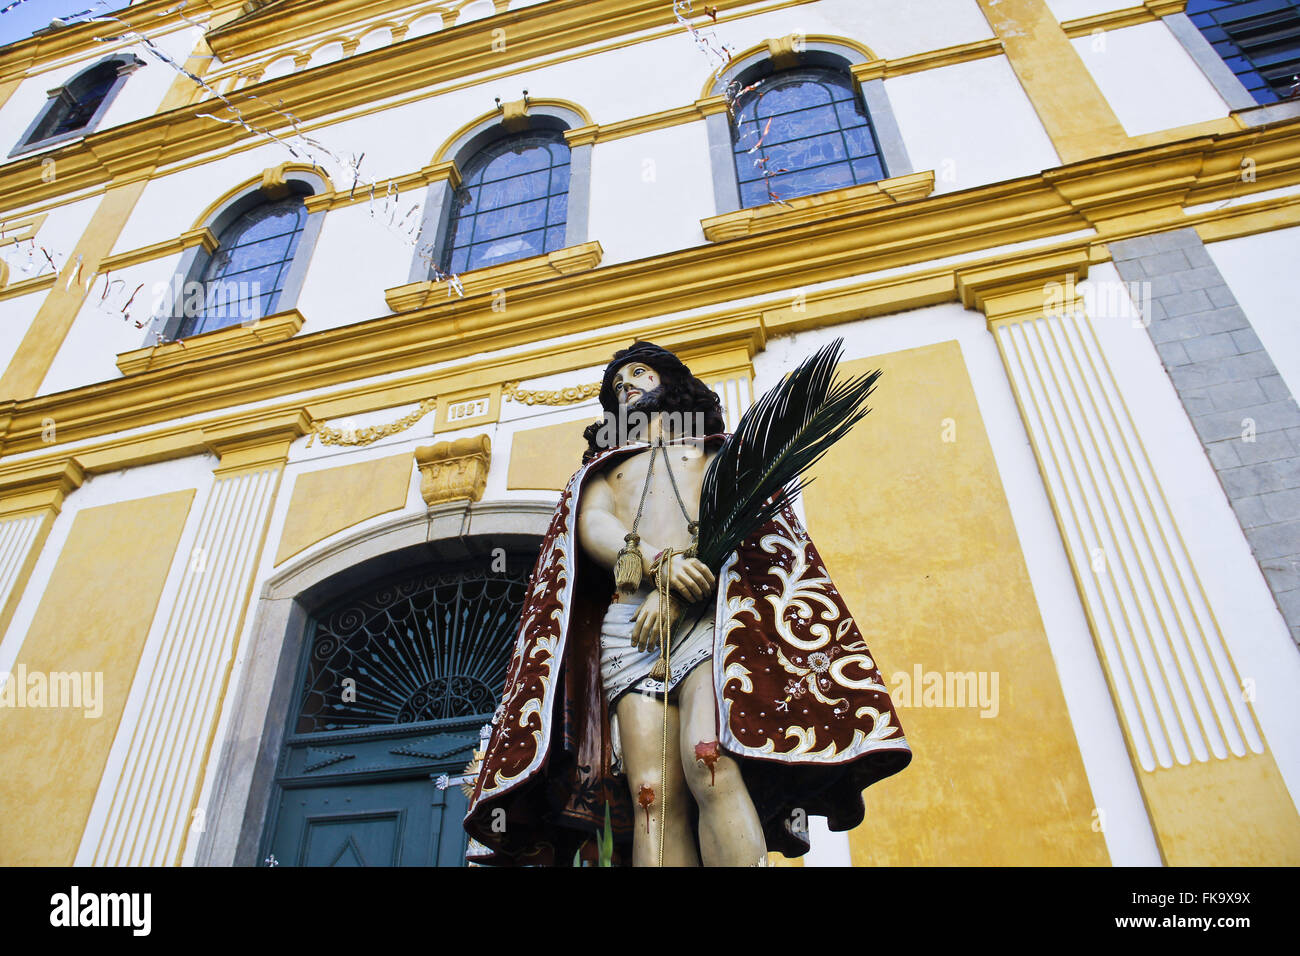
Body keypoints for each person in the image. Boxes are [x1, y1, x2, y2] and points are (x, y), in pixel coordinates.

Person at [463, 341, 911, 866]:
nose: (626, 386)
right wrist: (659, 566)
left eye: (638, 374)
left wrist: (679, 591)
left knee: (711, 761)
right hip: (629, 629)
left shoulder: (715, 453)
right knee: (650, 793)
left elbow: (739, 525)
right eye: (617, 385)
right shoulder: (604, 473)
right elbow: (593, 527)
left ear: (671, 384)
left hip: (711, 617)